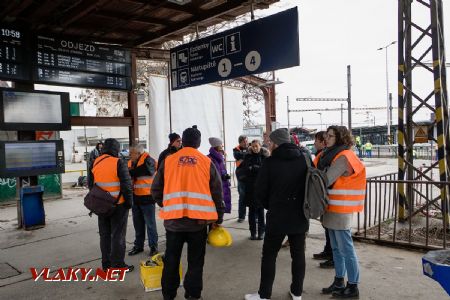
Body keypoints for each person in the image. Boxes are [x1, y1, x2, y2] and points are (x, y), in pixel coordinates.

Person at [152, 126, 225, 300]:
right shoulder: (206, 162)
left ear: (183, 142)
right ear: (199, 143)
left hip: (174, 224)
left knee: (170, 261)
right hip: (197, 224)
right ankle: (193, 295)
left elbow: (155, 189)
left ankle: (168, 295)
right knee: (196, 263)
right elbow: (217, 192)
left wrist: (168, 204)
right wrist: (218, 217)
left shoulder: (169, 160)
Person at [244, 128, 309, 300]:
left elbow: (260, 191)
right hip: (299, 215)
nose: (268, 144)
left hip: (277, 216)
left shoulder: (270, 162)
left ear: (276, 143)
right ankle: (297, 293)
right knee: (298, 255)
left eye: (270, 141)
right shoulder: (304, 159)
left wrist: (270, 205)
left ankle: (264, 295)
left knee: (269, 256)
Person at [318, 126, 366, 298]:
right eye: (326, 135)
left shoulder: (343, 157)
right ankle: (339, 281)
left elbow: (327, 178)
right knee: (337, 249)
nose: (327, 139)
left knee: (346, 248)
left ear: (340, 138)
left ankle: (353, 285)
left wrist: (317, 173)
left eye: (330, 136)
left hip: (340, 210)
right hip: (332, 208)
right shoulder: (331, 155)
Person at [88, 138, 134, 272]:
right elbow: (127, 186)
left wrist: (99, 199)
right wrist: (129, 204)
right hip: (118, 206)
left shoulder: (95, 162)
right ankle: (118, 265)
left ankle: (106, 265)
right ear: (116, 149)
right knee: (118, 235)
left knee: (105, 235)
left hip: (101, 205)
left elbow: (90, 184)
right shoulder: (119, 162)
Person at [127, 144, 159, 257]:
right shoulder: (130, 163)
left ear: (138, 153)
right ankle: (138, 246)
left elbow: (146, 170)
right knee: (138, 225)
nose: (129, 155)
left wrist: (130, 172)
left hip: (147, 198)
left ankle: (153, 247)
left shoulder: (149, 161)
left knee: (150, 225)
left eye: (131, 153)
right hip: (135, 198)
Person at [312, 131, 334, 269]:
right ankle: (327, 251)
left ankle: (332, 256)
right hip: (323, 194)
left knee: (331, 228)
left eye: (316, 141)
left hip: (328, 196)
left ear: (322, 142)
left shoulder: (325, 155)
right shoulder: (322, 155)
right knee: (326, 226)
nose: (314, 143)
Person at [240, 139, 269, 240]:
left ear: (260, 146)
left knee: (261, 212)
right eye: (253, 146)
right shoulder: (247, 156)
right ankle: (253, 232)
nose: (255, 148)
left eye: (256, 146)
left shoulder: (264, 157)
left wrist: (254, 168)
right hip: (250, 188)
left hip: (261, 188)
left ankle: (261, 232)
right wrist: (252, 169)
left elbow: (265, 170)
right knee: (251, 212)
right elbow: (245, 169)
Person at [208, 137, 232, 214]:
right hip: (216, 185)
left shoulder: (220, 157)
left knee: (220, 206)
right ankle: (215, 223)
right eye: (221, 145)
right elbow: (213, 173)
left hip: (222, 183)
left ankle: (217, 223)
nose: (222, 146)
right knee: (216, 206)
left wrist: (225, 176)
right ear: (217, 145)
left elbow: (221, 170)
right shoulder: (210, 158)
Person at [233, 135, 249, 222]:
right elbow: (238, 155)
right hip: (241, 176)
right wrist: (247, 153)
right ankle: (241, 216)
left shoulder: (250, 148)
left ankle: (256, 216)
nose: (246, 143)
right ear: (240, 142)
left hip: (250, 176)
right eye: (244, 141)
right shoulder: (236, 149)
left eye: (246, 141)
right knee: (242, 196)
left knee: (253, 196)